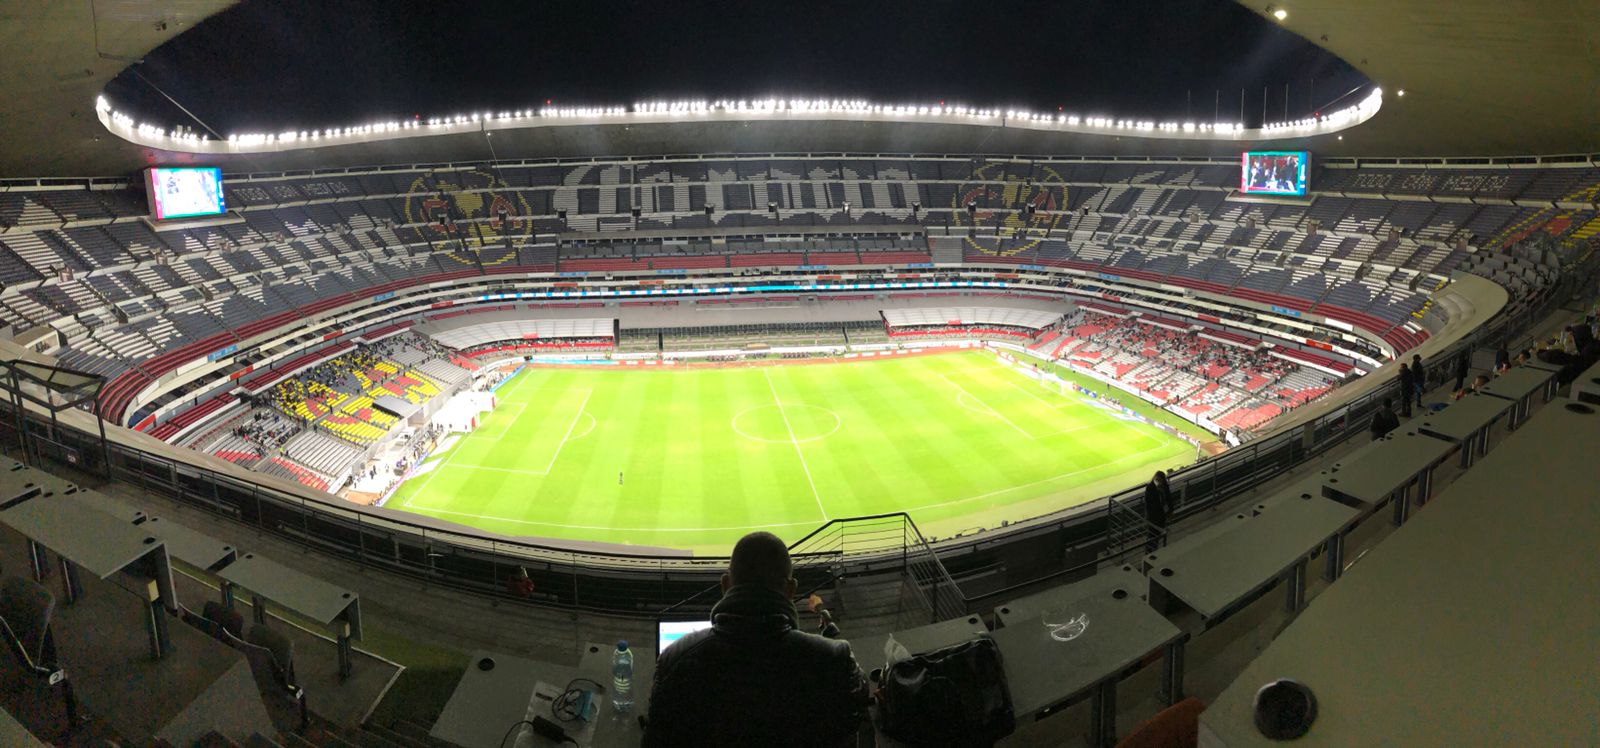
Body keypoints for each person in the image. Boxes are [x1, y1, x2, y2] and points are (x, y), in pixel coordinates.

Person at [644, 532, 868, 748]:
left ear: (725, 585)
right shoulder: (834, 661)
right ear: (791, 590)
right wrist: (823, 618)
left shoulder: (674, 661)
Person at [1142, 470, 1172, 552]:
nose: (1159, 482)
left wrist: (1170, 511)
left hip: (1162, 516)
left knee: (1157, 536)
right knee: (1151, 536)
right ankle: (1149, 552)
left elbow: (1168, 498)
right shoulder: (1150, 488)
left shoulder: (1164, 486)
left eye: (1160, 480)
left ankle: (1154, 551)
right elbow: (1149, 504)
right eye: (1157, 480)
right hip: (1153, 517)